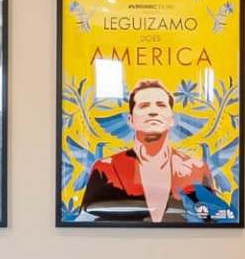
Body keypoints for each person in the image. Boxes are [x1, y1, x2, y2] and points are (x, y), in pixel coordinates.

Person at [80, 77, 218, 223]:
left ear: (172, 119)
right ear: (130, 119)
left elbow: (212, 220)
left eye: (161, 105)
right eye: (144, 105)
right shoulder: (105, 169)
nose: (153, 111)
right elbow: (88, 221)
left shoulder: (196, 169)